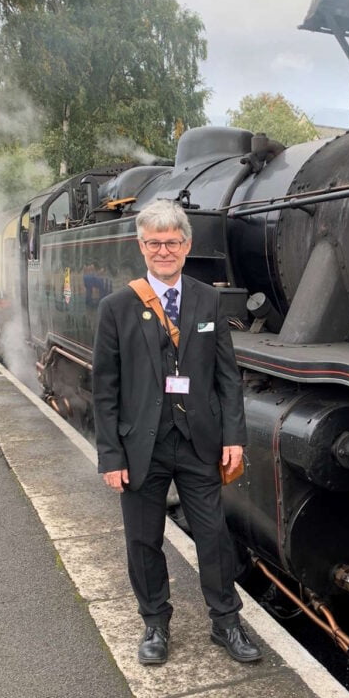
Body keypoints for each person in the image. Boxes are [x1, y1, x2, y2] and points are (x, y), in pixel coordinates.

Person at [92, 198, 261, 665]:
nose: (163, 250)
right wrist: (111, 456)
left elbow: (228, 376)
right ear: (141, 246)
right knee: (143, 541)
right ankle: (155, 624)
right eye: (154, 243)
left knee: (214, 537)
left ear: (186, 245)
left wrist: (234, 436)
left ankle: (226, 621)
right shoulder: (117, 307)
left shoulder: (208, 299)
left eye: (171, 242)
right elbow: (104, 389)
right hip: (139, 446)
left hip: (198, 442)